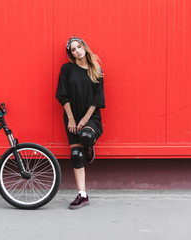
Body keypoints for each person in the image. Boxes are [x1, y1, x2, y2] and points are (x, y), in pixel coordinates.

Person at [56, 36, 105, 210]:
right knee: (76, 154)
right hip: (72, 115)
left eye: (79, 47)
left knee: (85, 135)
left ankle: (89, 145)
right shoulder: (67, 69)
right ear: (71, 53)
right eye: (73, 50)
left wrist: (85, 119)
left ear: (84, 46)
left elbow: (98, 100)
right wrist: (71, 118)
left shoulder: (96, 70)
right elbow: (62, 95)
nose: (77, 51)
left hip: (91, 116)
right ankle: (82, 195)